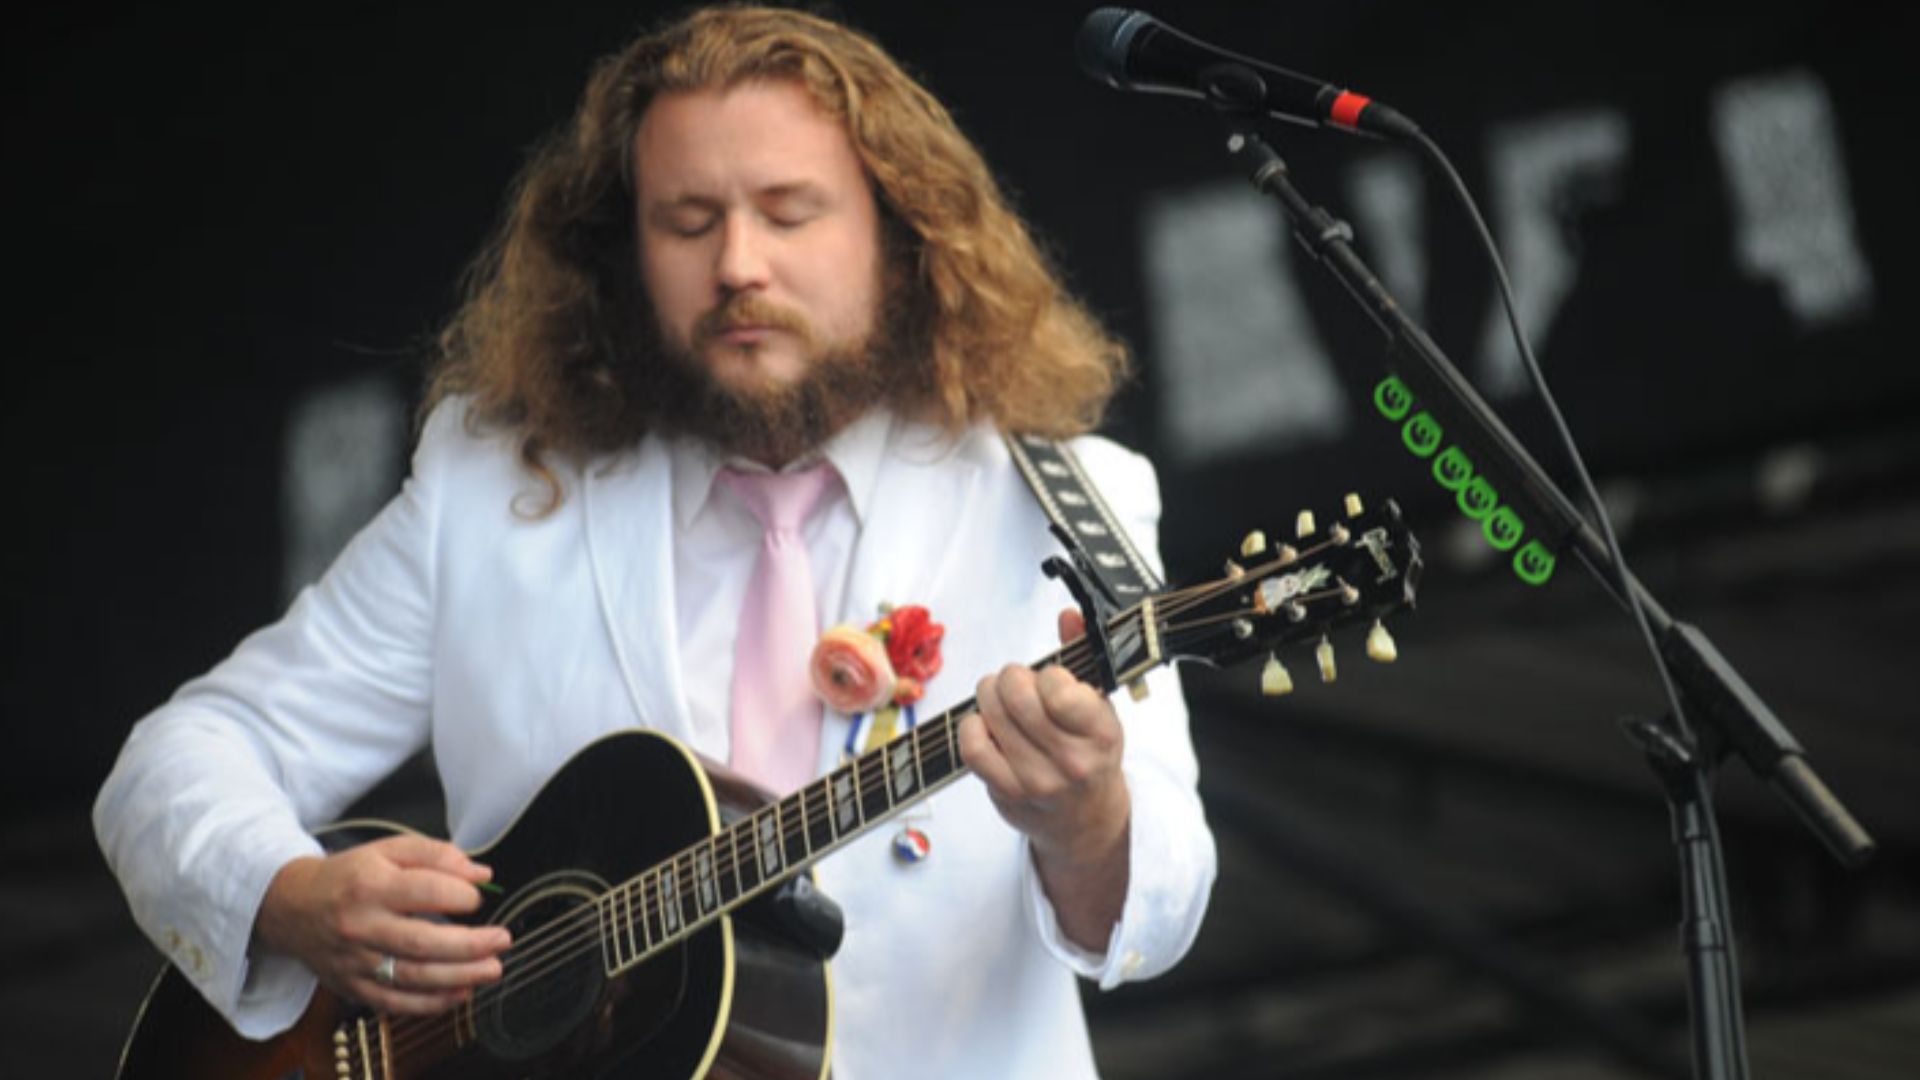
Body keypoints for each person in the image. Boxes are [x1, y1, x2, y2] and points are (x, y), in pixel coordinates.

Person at [95, 6, 1215, 1078]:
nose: (737, 265)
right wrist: (288, 893)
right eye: (687, 221)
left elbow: (1159, 904)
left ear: (900, 230)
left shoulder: (1070, 503)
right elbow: (178, 759)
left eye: (788, 212)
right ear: (624, 258)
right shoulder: (492, 499)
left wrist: (1088, 821)